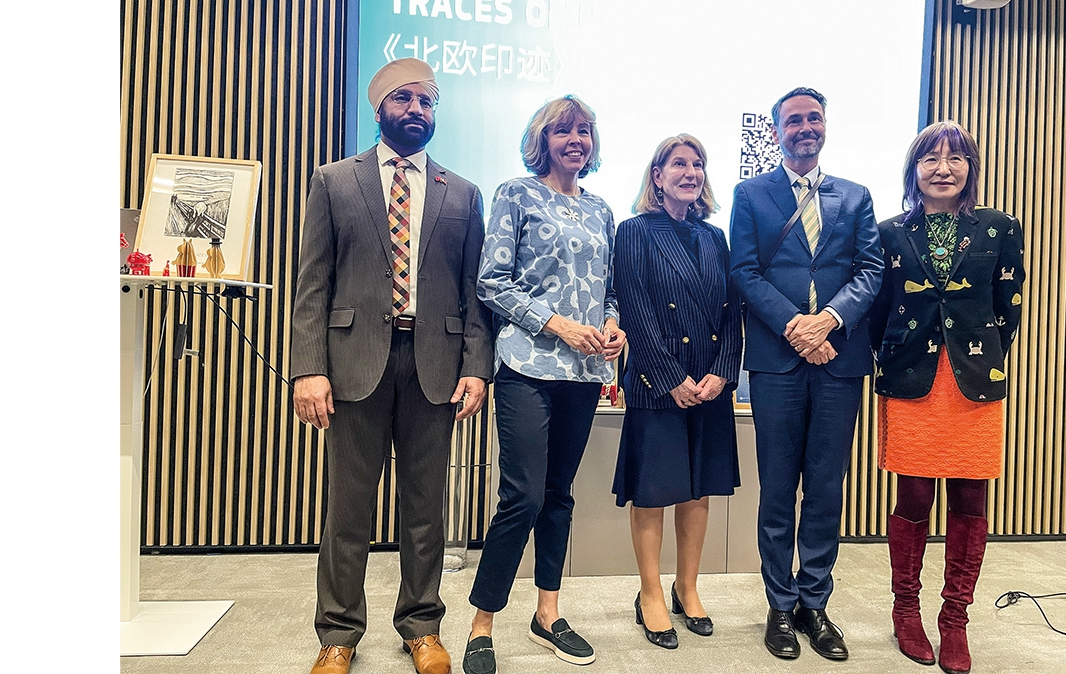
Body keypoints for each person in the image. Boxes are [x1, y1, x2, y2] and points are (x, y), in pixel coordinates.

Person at [290, 58, 494, 674]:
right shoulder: (334, 181)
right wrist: (308, 369)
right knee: (348, 508)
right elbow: (312, 285)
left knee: (425, 508)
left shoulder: (462, 192)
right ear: (378, 109)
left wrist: (477, 367)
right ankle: (339, 634)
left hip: (435, 365)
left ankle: (423, 627)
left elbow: (474, 292)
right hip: (352, 365)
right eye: (403, 100)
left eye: (427, 102)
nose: (416, 111)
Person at [464, 95, 625, 674]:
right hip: (527, 363)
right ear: (543, 139)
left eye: (584, 130)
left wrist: (612, 327)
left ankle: (548, 614)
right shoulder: (515, 193)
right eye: (564, 130)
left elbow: (608, 290)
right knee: (524, 496)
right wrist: (555, 323)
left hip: (583, 373)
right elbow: (492, 282)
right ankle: (482, 622)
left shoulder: (603, 210)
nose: (575, 139)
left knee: (559, 496)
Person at [729, 86, 884, 661]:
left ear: (825, 127)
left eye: (813, 118)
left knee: (824, 485)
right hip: (777, 358)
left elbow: (870, 270)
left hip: (840, 360)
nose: (804, 128)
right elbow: (743, 271)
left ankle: (814, 602)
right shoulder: (752, 194)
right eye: (792, 121)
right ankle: (778, 603)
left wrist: (829, 322)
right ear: (776, 132)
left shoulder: (856, 195)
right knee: (777, 488)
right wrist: (796, 325)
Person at [867, 121, 1025, 674]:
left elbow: (1009, 308)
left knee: (970, 500)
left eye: (955, 158)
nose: (943, 168)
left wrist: (982, 357)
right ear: (913, 171)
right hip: (912, 377)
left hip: (973, 379)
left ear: (970, 169)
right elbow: (878, 309)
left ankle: (954, 619)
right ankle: (905, 611)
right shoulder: (888, 231)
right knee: (913, 498)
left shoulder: (1000, 228)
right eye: (929, 159)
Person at [611, 135, 743, 650]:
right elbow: (636, 308)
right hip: (656, 380)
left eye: (698, 165)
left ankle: (687, 586)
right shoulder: (634, 231)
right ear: (657, 175)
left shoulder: (715, 238)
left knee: (698, 487)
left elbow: (734, 313)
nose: (690, 172)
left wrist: (721, 371)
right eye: (679, 164)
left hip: (708, 382)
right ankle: (650, 595)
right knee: (653, 491)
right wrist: (670, 378)